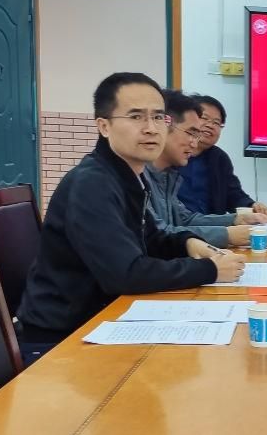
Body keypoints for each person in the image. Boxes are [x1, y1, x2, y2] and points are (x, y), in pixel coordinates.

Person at [16, 73, 245, 363]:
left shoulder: (127, 175)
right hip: (62, 340)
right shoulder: (92, 184)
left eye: (158, 117)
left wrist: (188, 243)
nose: (151, 128)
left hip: (103, 321)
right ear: (104, 126)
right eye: (136, 117)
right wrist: (209, 270)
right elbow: (125, 274)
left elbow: (151, 238)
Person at [143, 90, 267, 248]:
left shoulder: (167, 175)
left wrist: (237, 219)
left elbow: (185, 219)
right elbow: (158, 234)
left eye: (217, 122)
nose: (194, 143)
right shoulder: (137, 177)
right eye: (191, 133)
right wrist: (226, 235)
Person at [175, 94, 267, 215]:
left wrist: (251, 205)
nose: (210, 125)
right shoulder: (171, 155)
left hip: (213, 224)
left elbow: (232, 194)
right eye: (204, 118)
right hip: (178, 224)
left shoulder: (219, 158)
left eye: (216, 123)